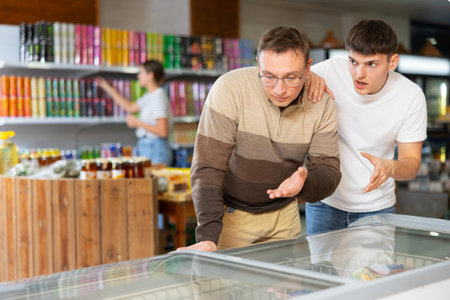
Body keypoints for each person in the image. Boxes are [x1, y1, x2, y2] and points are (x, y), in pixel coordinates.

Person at [177, 25, 342, 252]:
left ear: (307, 69)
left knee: (285, 287)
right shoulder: (229, 89)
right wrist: (207, 235)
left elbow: (328, 172)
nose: (279, 89)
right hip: (233, 218)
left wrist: (304, 184)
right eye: (269, 76)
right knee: (226, 287)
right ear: (258, 64)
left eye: (291, 77)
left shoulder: (321, 103)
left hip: (286, 217)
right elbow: (207, 168)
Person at [304, 19, 427, 235]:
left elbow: (411, 163)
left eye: (371, 64)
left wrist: (390, 167)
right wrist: (306, 76)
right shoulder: (328, 71)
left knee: (372, 271)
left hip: (377, 210)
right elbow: (287, 78)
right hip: (324, 203)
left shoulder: (411, 96)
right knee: (319, 270)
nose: (358, 73)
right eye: (353, 61)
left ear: (392, 62)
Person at [97, 60, 173, 166]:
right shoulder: (149, 96)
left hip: (156, 149)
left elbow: (162, 131)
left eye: (141, 72)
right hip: (150, 147)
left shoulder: (157, 97)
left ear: (150, 75)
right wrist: (108, 89)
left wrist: (138, 123)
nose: (138, 76)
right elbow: (130, 107)